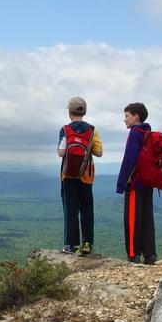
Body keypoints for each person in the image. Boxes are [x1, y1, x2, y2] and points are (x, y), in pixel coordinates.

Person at [58, 96, 103, 256]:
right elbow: (99, 152)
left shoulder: (65, 129)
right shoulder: (92, 130)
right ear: (84, 111)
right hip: (86, 175)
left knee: (70, 210)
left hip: (68, 176)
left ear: (69, 112)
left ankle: (71, 245)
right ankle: (87, 245)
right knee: (86, 210)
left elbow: (61, 152)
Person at [115, 102, 157, 264]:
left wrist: (121, 184)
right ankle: (150, 254)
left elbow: (129, 160)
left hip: (135, 183)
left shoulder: (135, 133)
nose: (124, 120)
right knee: (147, 216)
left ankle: (133, 254)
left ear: (136, 116)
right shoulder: (148, 133)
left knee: (132, 217)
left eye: (127, 116)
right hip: (149, 182)